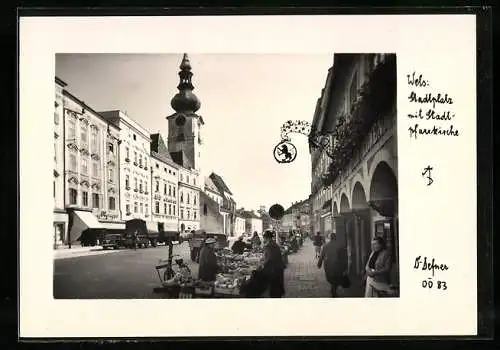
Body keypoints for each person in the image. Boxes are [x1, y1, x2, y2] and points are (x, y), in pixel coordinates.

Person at [317, 233, 348, 297]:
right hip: (337, 266)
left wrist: (319, 264)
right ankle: (333, 290)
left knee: (331, 278)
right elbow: (344, 257)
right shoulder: (340, 245)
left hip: (328, 266)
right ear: (335, 238)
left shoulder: (325, 246)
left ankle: (333, 290)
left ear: (330, 238)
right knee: (336, 278)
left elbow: (321, 256)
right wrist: (345, 267)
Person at [261, 230, 285, 298]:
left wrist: (263, 264)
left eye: (264, 237)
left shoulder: (269, 245)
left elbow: (269, 258)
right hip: (278, 267)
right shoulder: (273, 243)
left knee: (275, 288)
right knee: (277, 286)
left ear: (267, 237)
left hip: (274, 269)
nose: (264, 239)